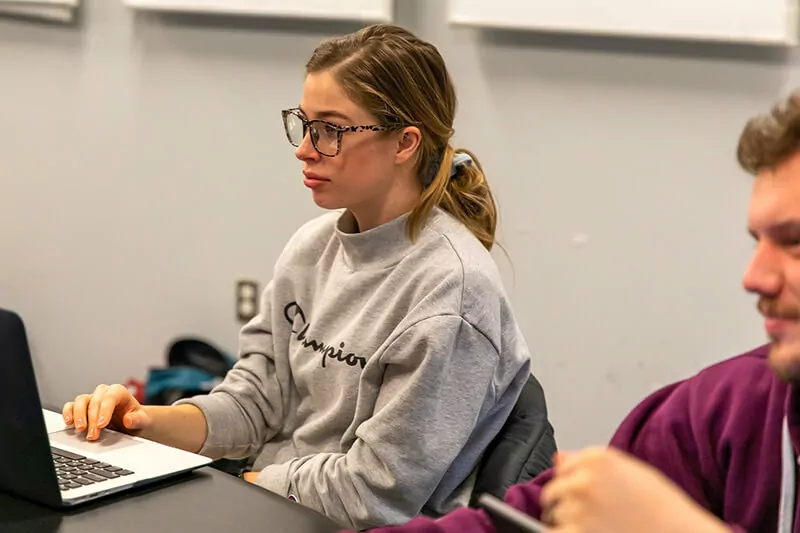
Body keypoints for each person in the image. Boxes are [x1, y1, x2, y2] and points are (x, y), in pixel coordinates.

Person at [61, 24, 537, 530]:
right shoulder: (313, 247)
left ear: (405, 142)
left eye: (331, 130)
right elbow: (254, 403)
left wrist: (237, 488)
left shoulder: (453, 295)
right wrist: (140, 423)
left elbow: (376, 491)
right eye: (303, 124)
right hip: (274, 502)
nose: (304, 150)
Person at [350, 91, 800, 533]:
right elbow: (515, 523)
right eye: (757, 241)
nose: (755, 277)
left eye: (793, 242)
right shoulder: (722, 411)